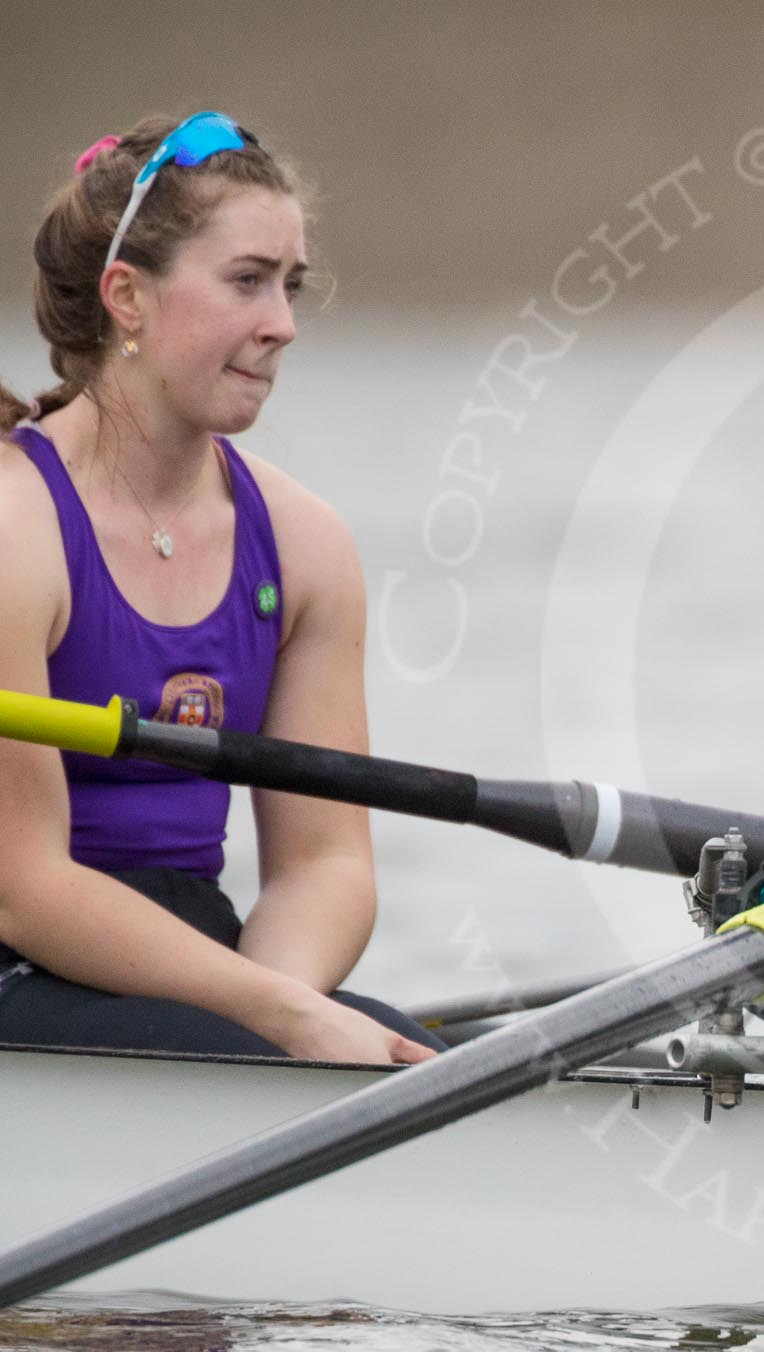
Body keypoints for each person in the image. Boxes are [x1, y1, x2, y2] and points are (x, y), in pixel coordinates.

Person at [0, 112, 441, 1063]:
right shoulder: (13, 529)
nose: (281, 323)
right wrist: (278, 1022)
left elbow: (325, 864)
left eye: (291, 286)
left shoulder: (305, 545)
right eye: (247, 281)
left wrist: (282, 1002)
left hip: (201, 957)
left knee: (452, 1069)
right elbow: (22, 885)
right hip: (20, 954)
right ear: (127, 296)